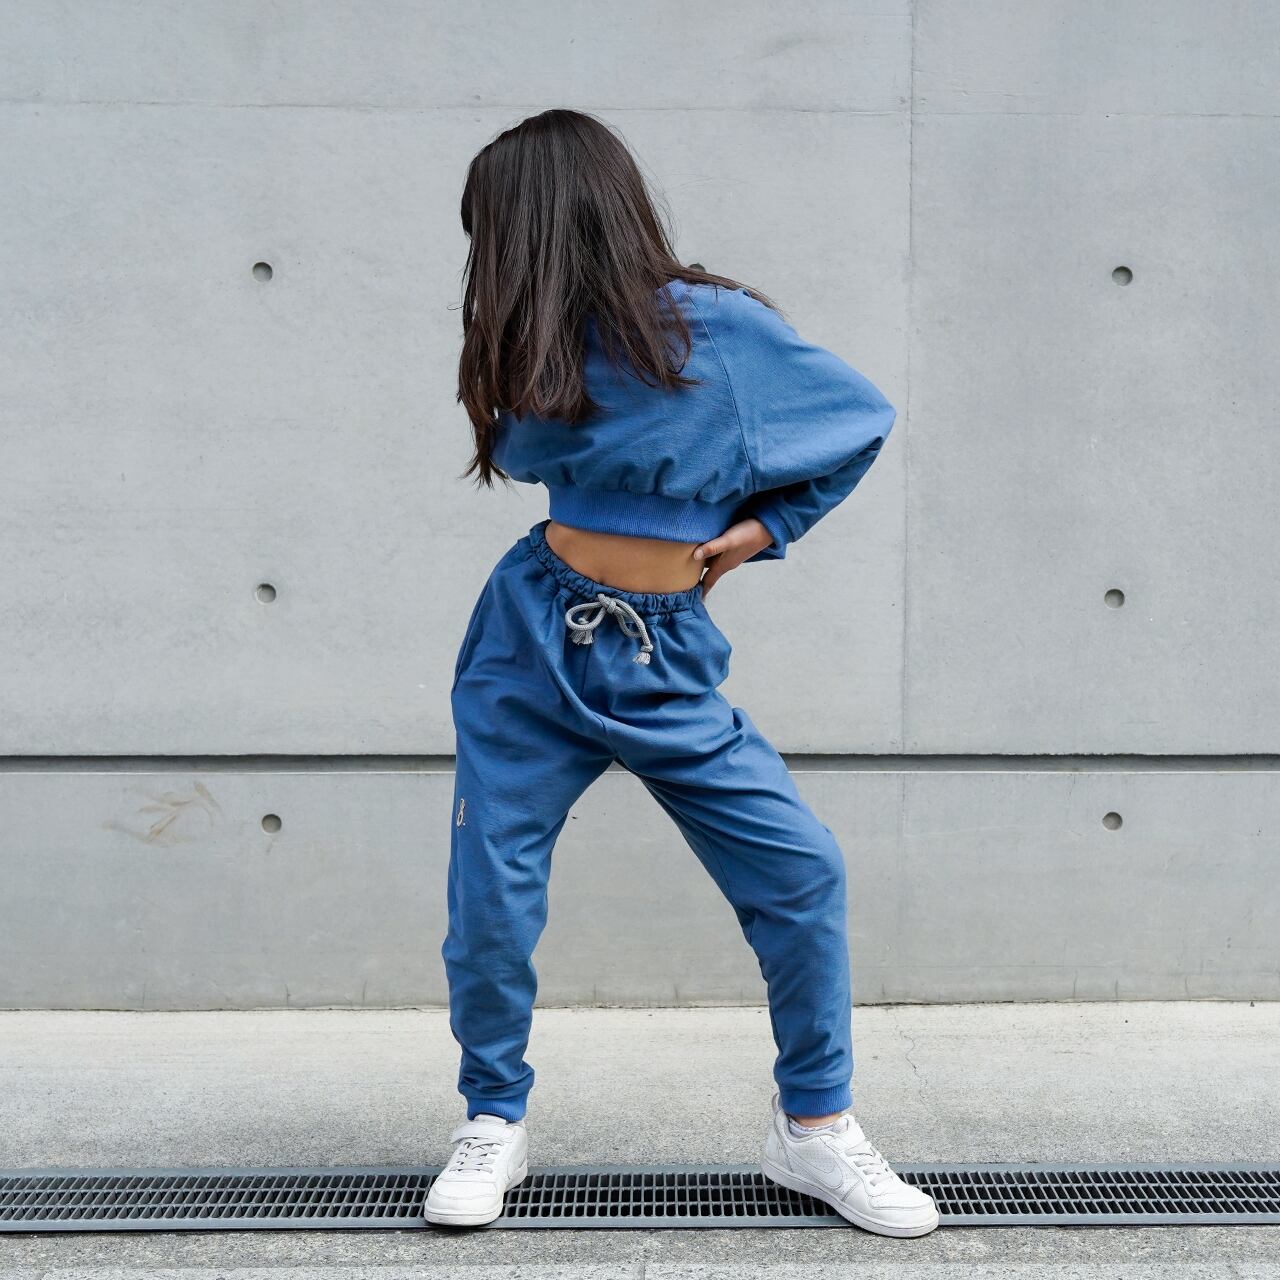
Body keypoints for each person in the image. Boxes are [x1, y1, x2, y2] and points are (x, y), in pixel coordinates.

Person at [423, 108, 938, 1239]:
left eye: (492, 229)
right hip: (529, 636)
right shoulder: (534, 333)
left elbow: (857, 420)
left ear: (542, 220)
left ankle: (814, 1127)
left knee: (798, 869)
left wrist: (765, 528)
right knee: (490, 900)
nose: (484, 255)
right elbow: (533, 461)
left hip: (659, 653)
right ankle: (493, 1117)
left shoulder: (717, 328)